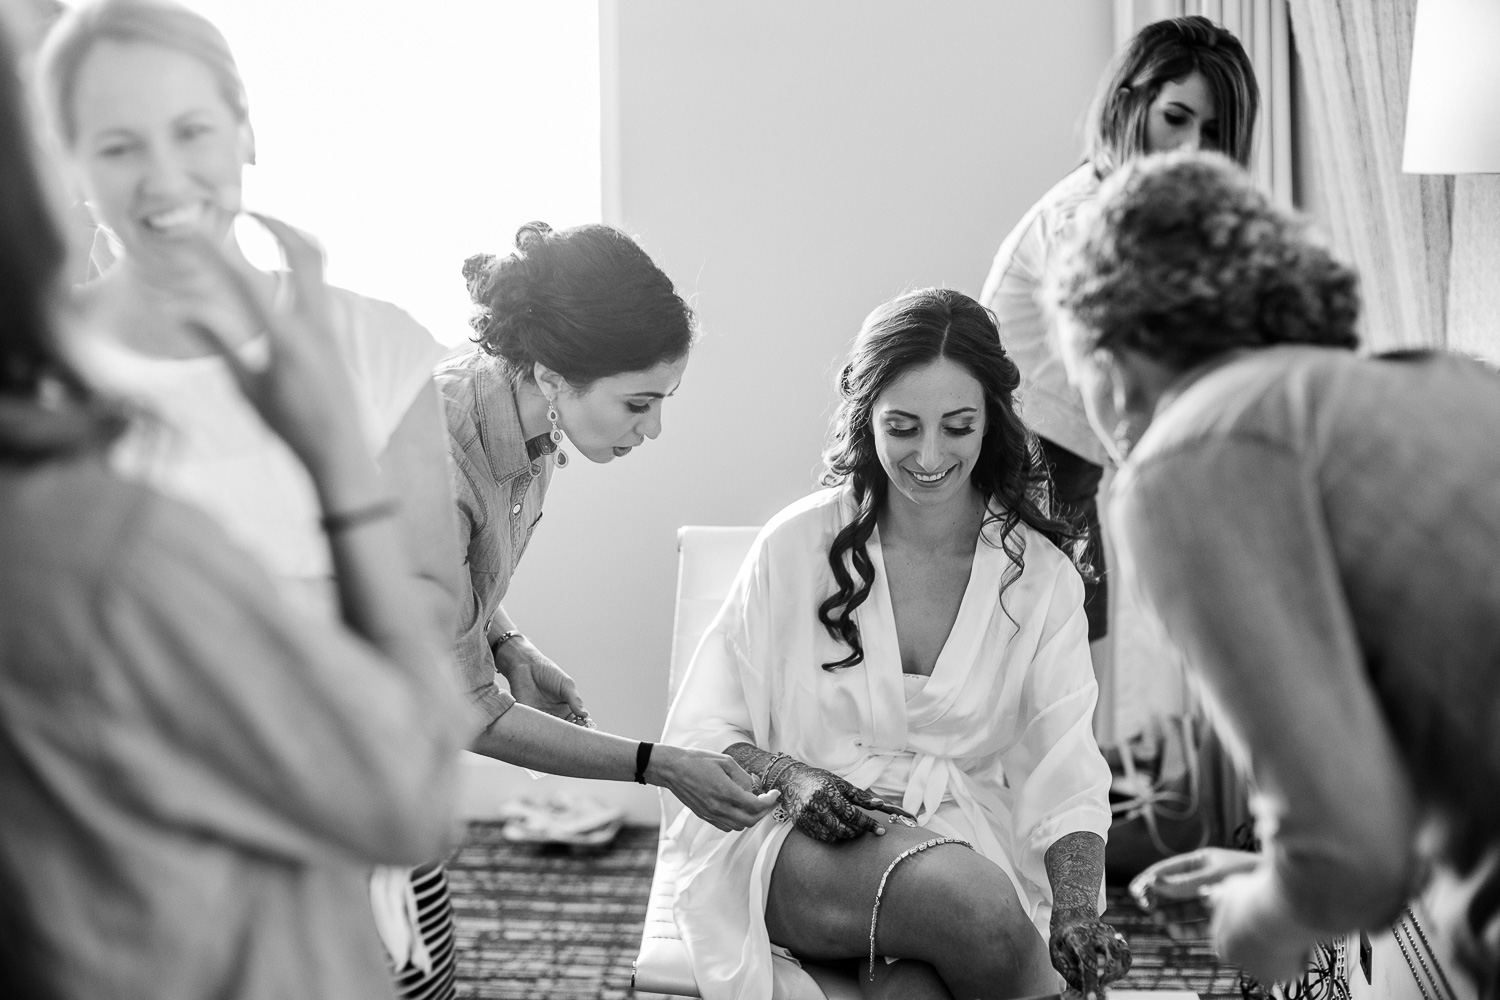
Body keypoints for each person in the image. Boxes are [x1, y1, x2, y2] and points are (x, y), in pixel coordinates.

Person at [0, 10, 467, 995]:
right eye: (118, 145)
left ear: (246, 129)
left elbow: (436, 594)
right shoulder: (41, 385)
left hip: (361, 841)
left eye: (193, 131)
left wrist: (240, 640)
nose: (164, 178)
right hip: (143, 869)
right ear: (68, 166)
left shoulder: (374, 342)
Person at [1045, 149, 1500, 999]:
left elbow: (1352, 860)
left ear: (1108, 349)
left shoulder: (1189, 455)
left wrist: (1254, 919)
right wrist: (1264, 866)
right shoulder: (1443, 381)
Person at [658, 288, 1127, 1000]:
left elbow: (1066, 775)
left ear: (990, 423)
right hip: (791, 838)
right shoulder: (796, 546)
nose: (930, 455)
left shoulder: (1040, 580)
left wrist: (1074, 910)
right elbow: (701, 735)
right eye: (902, 426)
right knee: (980, 914)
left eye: (957, 427)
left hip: (960, 838)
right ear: (865, 418)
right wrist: (791, 777)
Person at [979, 15, 1258, 642]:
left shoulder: (1159, 219)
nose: (1192, 149)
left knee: (1078, 656)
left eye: (1213, 131)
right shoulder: (1084, 220)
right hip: (1019, 467)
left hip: (1068, 465)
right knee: (1067, 655)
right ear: (1131, 107)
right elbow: (1118, 372)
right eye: (1176, 118)